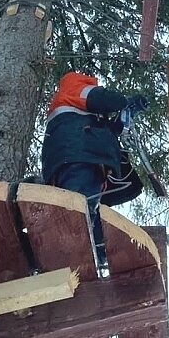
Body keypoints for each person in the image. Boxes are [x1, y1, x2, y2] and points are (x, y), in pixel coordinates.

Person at [41, 70, 149, 264]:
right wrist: (124, 101)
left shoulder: (79, 113)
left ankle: (95, 245)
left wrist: (123, 117)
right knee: (79, 203)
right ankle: (80, 245)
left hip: (76, 156)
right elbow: (104, 99)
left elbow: (105, 131)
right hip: (79, 156)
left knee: (84, 203)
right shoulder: (75, 87)